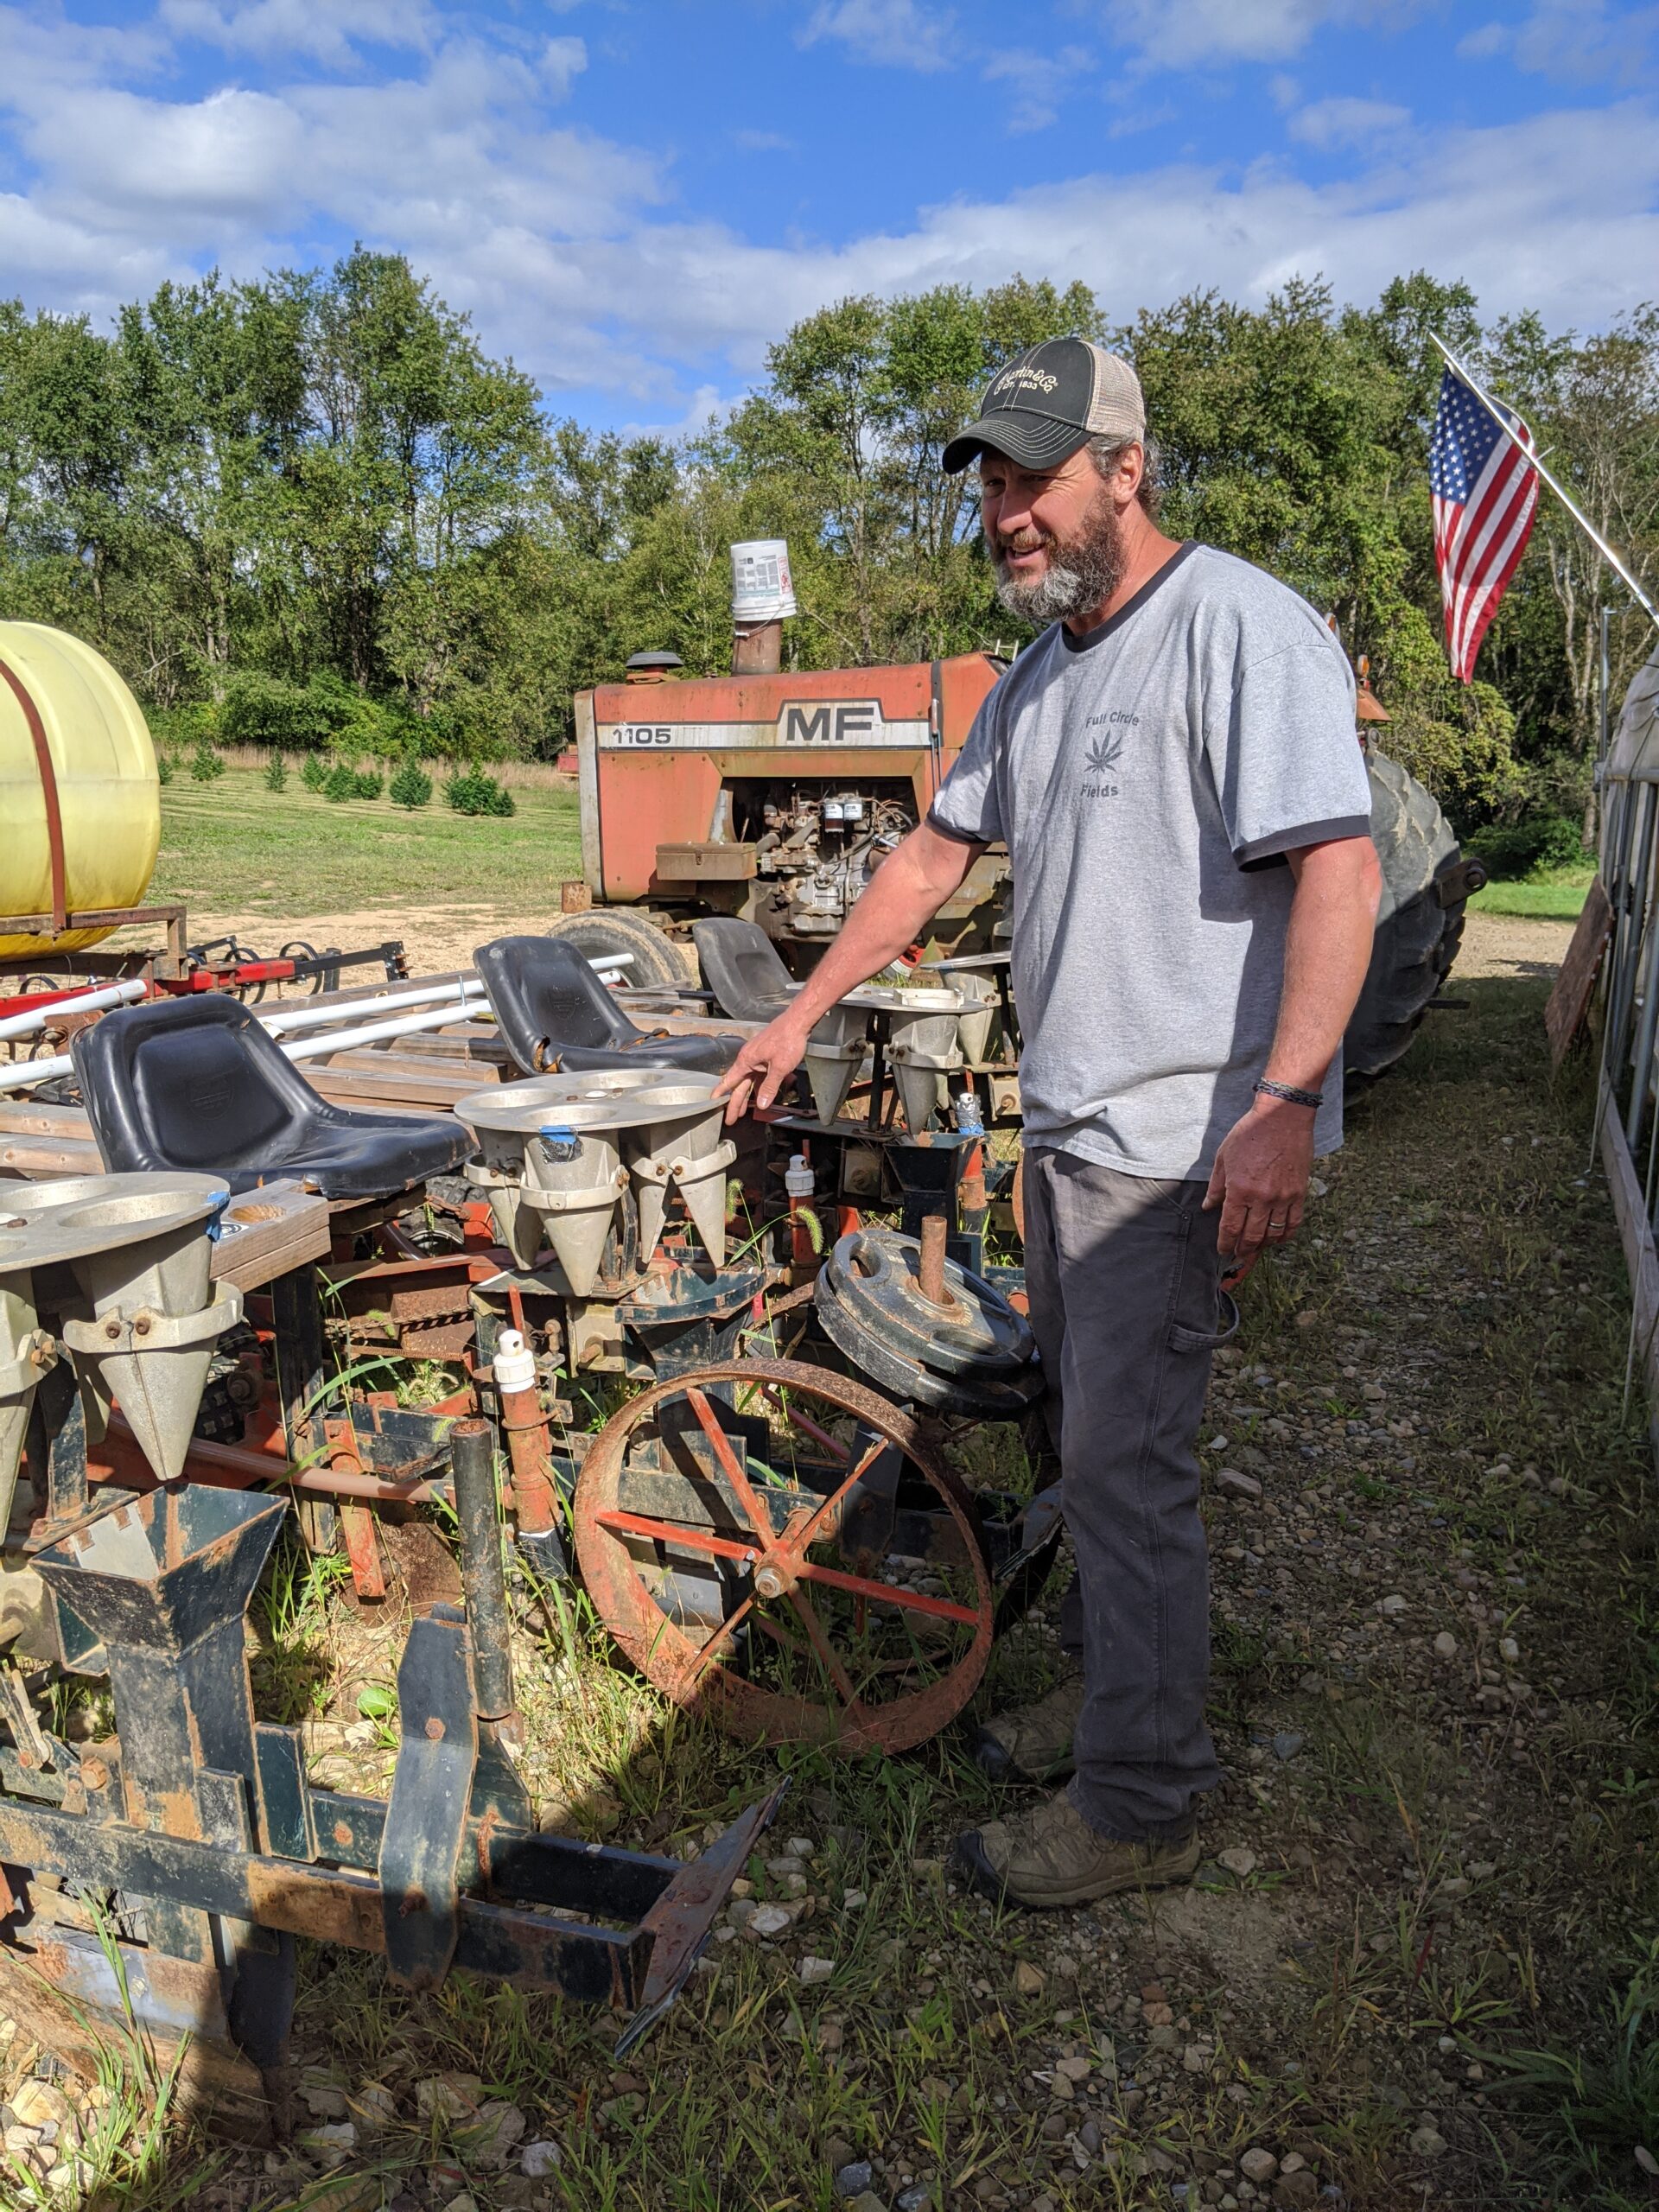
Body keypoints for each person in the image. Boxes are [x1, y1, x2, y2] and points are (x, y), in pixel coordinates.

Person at [715, 336, 1382, 1909]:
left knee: (1131, 1467)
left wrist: (1281, 1106)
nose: (1007, 511)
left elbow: (1340, 876)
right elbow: (934, 862)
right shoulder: (1041, 677)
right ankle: (1106, 1711)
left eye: (1034, 475)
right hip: (1073, 1136)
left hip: (1180, 1150)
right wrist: (802, 1009)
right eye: (993, 483)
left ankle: (1144, 1804)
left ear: (1125, 470)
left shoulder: (1238, 631)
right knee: (1077, 1438)